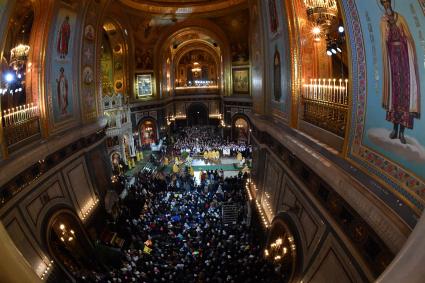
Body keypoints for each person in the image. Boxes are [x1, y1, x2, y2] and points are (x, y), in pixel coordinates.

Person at [380, 0, 420, 144]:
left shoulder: (400, 18)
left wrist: (404, 43)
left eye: (387, 2)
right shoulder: (383, 21)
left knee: (405, 94)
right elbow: (384, 41)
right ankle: (394, 129)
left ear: (390, 3)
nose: (386, 4)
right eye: (383, 2)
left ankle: (402, 132)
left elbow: (408, 38)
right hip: (393, 61)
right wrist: (386, 30)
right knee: (395, 95)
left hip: (404, 60)